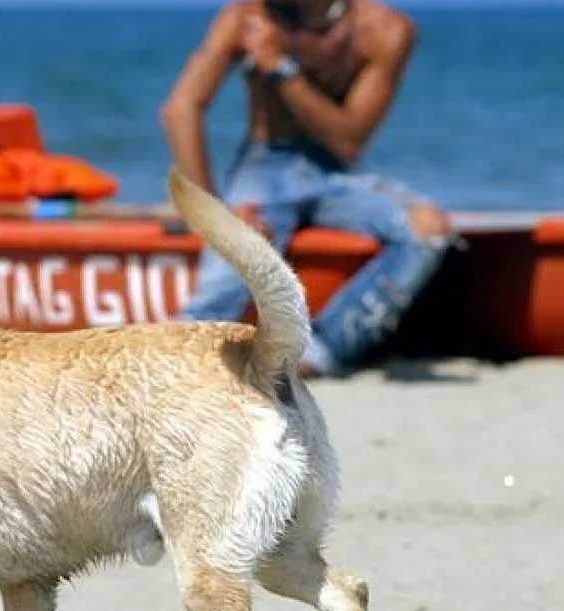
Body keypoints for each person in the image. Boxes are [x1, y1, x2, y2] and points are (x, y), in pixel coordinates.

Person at [160, 0, 456, 377]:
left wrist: (280, 68)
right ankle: (193, 337)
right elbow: (181, 108)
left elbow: (349, 140)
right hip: (263, 164)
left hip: (333, 171)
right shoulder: (249, 17)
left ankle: (321, 350)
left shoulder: (383, 29)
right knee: (244, 231)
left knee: (426, 228)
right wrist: (209, 211)